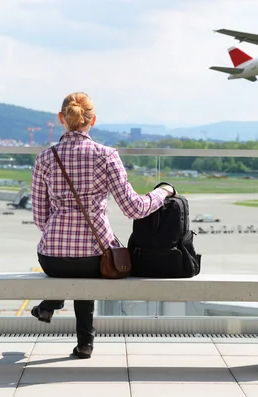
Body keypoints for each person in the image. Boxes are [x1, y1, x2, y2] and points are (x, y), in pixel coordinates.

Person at [30, 92, 174, 359]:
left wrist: (63, 234)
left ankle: (53, 307)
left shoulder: (44, 158)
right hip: (96, 257)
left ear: (61, 119)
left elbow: (40, 218)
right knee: (91, 263)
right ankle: (84, 342)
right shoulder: (106, 156)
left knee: (75, 267)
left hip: (51, 258)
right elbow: (134, 208)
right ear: (93, 120)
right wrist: (163, 192)